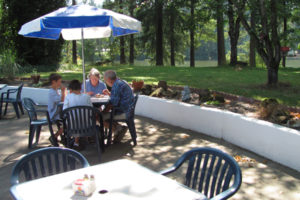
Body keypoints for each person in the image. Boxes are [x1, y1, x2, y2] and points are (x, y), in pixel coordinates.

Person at [102, 70, 134, 143]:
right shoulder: (121, 82)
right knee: (103, 115)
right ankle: (118, 128)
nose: (105, 82)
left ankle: (117, 129)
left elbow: (112, 104)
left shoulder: (116, 86)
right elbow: (118, 98)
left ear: (109, 80)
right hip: (128, 110)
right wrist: (109, 94)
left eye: (105, 80)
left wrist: (103, 113)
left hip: (123, 113)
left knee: (98, 117)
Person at [63, 79, 93, 151]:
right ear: (80, 88)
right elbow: (91, 111)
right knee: (84, 118)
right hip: (87, 126)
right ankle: (85, 139)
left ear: (70, 89)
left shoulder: (68, 97)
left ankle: (77, 142)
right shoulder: (87, 97)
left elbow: (64, 111)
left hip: (72, 127)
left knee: (73, 120)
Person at [48, 73, 66, 146]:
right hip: (54, 114)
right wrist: (63, 91)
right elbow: (62, 100)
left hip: (58, 112)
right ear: (53, 82)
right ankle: (54, 136)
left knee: (69, 119)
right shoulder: (52, 92)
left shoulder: (55, 90)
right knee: (69, 122)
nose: (60, 83)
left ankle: (64, 137)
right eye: (59, 82)